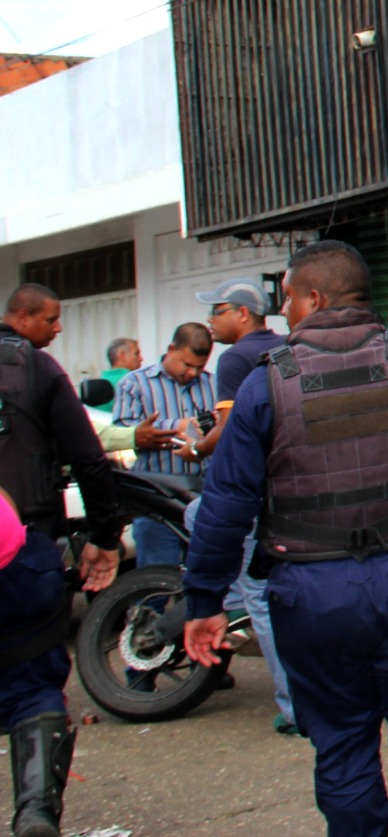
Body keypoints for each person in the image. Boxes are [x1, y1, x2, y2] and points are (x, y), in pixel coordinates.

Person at [183, 241, 388, 837]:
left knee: (340, 734)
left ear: (314, 297)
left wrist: (204, 601)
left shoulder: (267, 385)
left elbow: (225, 504)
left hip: (311, 592)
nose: (283, 313)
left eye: (286, 298)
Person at [1, 285, 120, 837]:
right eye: (50, 318)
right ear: (19, 318)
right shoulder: (39, 369)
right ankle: (36, 811)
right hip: (21, 548)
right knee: (32, 686)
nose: (58, 328)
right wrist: (105, 536)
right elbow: (89, 460)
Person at [181, 277, 299, 736]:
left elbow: (229, 432)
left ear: (243, 314)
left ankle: (294, 707)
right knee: (195, 518)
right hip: (287, 491)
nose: (211, 320)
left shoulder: (235, 358)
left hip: (250, 491)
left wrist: (194, 449)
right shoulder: (287, 345)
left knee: (260, 597)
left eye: (219, 310)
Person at [111, 322, 217, 568]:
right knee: (156, 574)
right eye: (187, 364)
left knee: (205, 577)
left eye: (199, 368)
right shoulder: (134, 384)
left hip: (203, 498)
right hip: (156, 501)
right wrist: (176, 426)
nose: (192, 373)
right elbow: (123, 430)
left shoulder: (214, 384)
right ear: (171, 349)